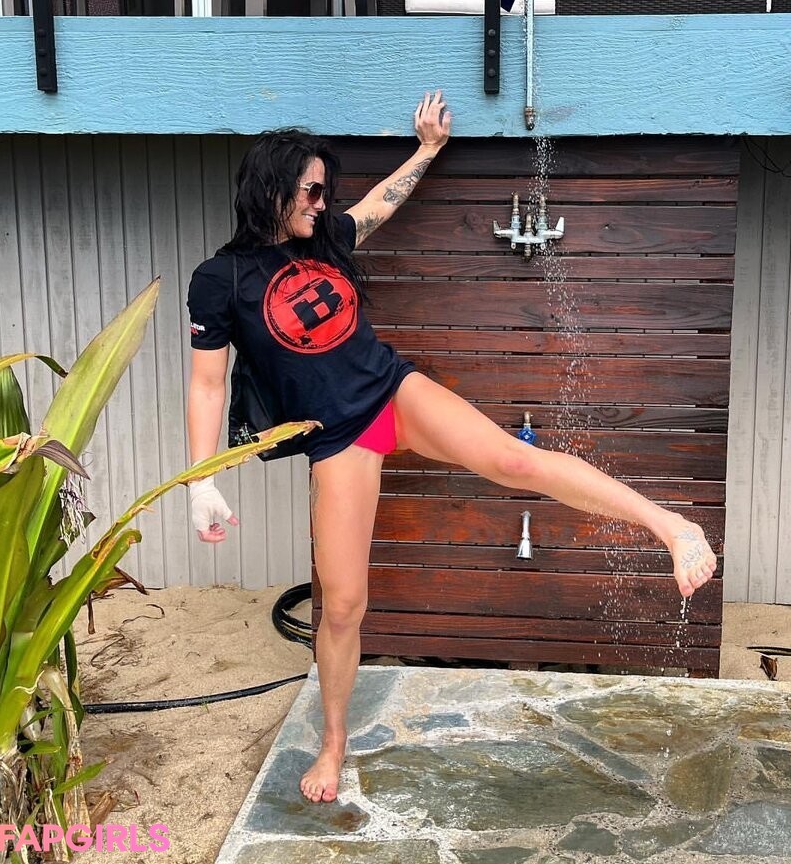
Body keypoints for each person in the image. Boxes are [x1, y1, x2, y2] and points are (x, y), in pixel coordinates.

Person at [185, 91, 717, 804]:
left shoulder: (328, 238)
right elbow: (206, 384)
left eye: (324, 189)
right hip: (335, 438)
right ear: (271, 188)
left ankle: (670, 526)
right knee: (342, 606)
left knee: (515, 460)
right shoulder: (220, 280)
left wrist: (428, 149)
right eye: (310, 189)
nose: (321, 200)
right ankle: (334, 741)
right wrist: (201, 480)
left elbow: (380, 203)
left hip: (392, 391)